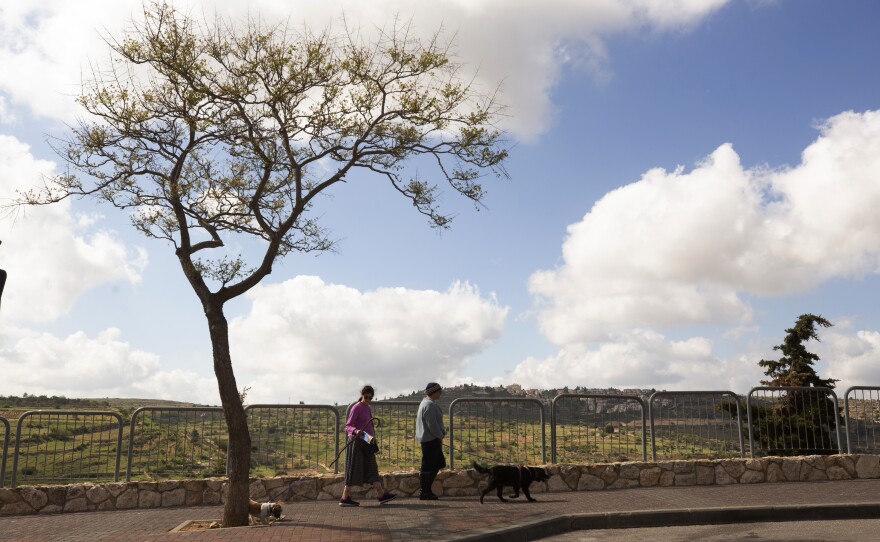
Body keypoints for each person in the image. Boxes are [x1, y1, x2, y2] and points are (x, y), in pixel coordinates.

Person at [339, 385, 397, 507]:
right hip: (357, 442)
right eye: (366, 396)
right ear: (362, 394)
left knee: (372, 467)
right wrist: (355, 430)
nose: (368, 399)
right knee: (353, 468)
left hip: (367, 441)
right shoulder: (356, 407)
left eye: (370, 397)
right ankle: (345, 497)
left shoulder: (367, 407)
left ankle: (381, 494)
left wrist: (372, 438)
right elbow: (348, 425)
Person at [415, 382, 446, 500]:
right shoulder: (429, 405)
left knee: (437, 463)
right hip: (431, 439)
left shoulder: (427, 403)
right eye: (439, 391)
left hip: (429, 439)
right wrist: (440, 435)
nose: (440, 393)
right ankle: (425, 491)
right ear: (433, 392)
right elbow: (432, 425)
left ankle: (426, 489)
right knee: (429, 465)